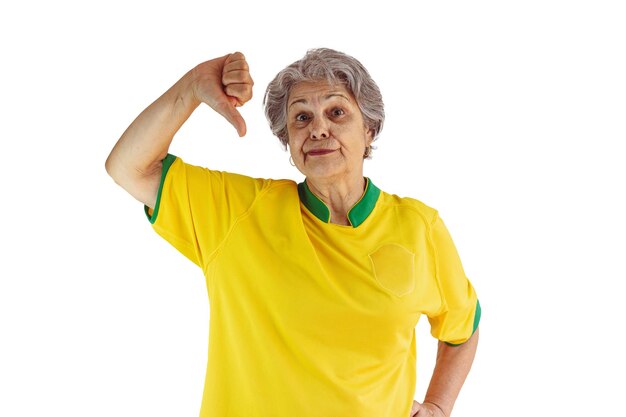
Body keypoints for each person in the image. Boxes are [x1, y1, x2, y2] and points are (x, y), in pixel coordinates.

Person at [105, 48, 480, 417]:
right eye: (301, 118)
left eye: (336, 112)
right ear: (288, 142)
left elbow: (462, 328)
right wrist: (192, 87)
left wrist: (438, 406)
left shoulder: (419, 227)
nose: (318, 129)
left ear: (369, 130)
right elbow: (128, 167)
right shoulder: (239, 212)